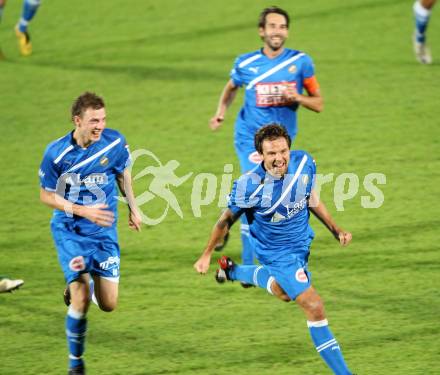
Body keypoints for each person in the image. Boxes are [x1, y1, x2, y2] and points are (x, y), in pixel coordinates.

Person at [194, 124, 354, 375]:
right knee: (314, 305)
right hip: (276, 253)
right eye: (271, 154)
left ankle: (233, 271)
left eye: (283, 151)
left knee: (284, 293)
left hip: (301, 244)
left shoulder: (304, 162)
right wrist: (205, 254)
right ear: (260, 155)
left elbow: (310, 197)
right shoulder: (249, 186)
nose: (279, 158)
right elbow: (224, 221)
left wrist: (336, 230)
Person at [209, 6, 323, 266]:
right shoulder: (246, 63)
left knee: (268, 192)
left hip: (281, 141)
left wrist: (298, 97)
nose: (277, 31)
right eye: (272, 26)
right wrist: (220, 113)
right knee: (257, 190)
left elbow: (318, 103)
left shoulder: (300, 63)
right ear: (262, 31)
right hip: (250, 137)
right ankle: (249, 265)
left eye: (282, 26)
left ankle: (225, 224)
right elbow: (231, 88)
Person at [39, 92, 142, 375]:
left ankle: (77, 288)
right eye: (94, 120)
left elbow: (122, 172)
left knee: (108, 304)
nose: (100, 125)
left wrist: (134, 207)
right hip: (70, 231)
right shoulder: (56, 154)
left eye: (103, 119)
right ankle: (76, 364)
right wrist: (83, 211)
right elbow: (46, 196)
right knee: (82, 298)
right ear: (77, 121)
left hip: (104, 232)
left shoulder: (115, 141)